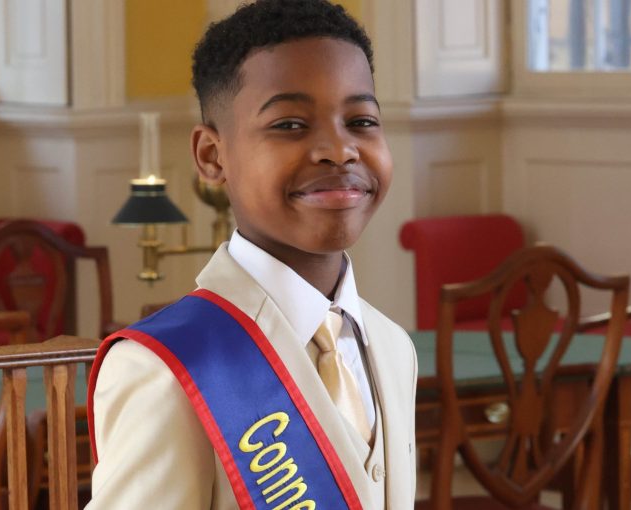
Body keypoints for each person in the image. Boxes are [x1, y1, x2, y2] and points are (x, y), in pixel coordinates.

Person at [85, 0, 417, 508]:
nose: (339, 149)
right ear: (212, 156)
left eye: (361, 120)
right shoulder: (168, 370)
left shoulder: (393, 347)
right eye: (290, 125)